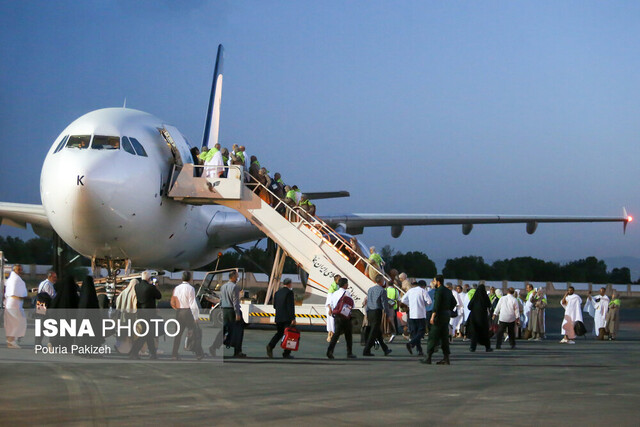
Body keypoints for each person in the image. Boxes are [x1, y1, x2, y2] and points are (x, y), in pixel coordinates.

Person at [421, 274, 456, 365]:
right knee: (444, 337)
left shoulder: (439, 291)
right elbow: (454, 302)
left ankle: (428, 357)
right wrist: (448, 309)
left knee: (433, 336)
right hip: (446, 316)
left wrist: (433, 316)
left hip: (439, 316)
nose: (433, 282)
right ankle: (446, 358)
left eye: (434, 281)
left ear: (438, 282)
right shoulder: (448, 291)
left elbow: (437, 305)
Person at [171, 271, 204, 360]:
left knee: (178, 334)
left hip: (179, 312)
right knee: (194, 332)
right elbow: (192, 303)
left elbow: (173, 302)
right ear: (190, 279)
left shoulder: (176, 288)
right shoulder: (190, 288)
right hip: (187, 312)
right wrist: (196, 316)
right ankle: (198, 353)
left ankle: (174, 354)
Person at [129, 271, 162, 359]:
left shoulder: (137, 287)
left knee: (148, 333)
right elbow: (159, 296)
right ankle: (134, 352)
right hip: (149, 313)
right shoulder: (151, 287)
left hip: (140, 313)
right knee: (146, 333)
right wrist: (156, 287)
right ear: (149, 278)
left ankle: (153, 354)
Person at [326, 278, 357, 359]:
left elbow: (331, 305)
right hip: (345, 316)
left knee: (336, 335)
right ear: (345, 285)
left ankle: (330, 351)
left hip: (337, 316)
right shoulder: (347, 293)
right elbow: (352, 305)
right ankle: (349, 353)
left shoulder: (334, 293)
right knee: (348, 335)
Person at [363, 275, 392, 357]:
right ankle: (366, 350)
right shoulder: (382, 291)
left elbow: (368, 300)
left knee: (377, 331)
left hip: (370, 311)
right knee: (373, 331)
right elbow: (384, 303)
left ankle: (385, 349)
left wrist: (367, 311)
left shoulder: (370, 289)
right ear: (381, 281)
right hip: (377, 311)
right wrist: (387, 313)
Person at [267, 278, 296, 359]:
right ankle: (286, 353)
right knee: (289, 335)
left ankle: (270, 346)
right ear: (289, 284)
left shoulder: (277, 293)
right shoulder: (289, 293)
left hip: (279, 317)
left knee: (279, 333)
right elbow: (290, 306)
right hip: (287, 317)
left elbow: (274, 306)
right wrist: (293, 318)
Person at [402, 281, 432, 356]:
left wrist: (410, 304)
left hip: (412, 314)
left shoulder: (410, 291)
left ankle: (419, 350)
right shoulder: (423, 291)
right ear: (423, 286)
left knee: (415, 333)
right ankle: (411, 344)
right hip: (421, 314)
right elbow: (429, 301)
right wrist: (424, 304)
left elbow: (403, 300)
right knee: (421, 332)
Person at [219, 270, 246, 358]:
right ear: (233, 277)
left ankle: (214, 347)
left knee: (224, 329)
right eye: (237, 276)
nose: (238, 277)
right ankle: (237, 351)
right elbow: (235, 301)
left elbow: (221, 300)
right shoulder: (235, 287)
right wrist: (237, 313)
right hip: (232, 311)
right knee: (238, 330)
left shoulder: (223, 286)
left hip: (224, 310)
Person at [4, 265, 28, 349]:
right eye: (18, 269)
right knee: (18, 322)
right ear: (14, 270)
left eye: (21, 269)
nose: (20, 271)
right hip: (14, 302)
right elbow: (14, 291)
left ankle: (11, 341)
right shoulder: (15, 279)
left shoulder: (12, 278)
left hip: (13, 302)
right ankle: (12, 341)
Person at [77, 276, 103, 349]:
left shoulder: (82, 297)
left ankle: (81, 348)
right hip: (93, 318)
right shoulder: (93, 295)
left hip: (82, 317)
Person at [467, 283, 493, 352]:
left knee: (474, 333)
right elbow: (489, 305)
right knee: (485, 333)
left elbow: (469, 306)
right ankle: (488, 347)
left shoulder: (475, 297)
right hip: (483, 318)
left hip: (474, 318)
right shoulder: (485, 297)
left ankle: (472, 347)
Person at [325, 274, 341, 342]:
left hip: (334, 307)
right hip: (330, 308)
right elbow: (329, 301)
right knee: (331, 322)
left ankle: (332, 336)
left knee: (333, 322)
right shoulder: (332, 288)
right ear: (336, 280)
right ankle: (330, 336)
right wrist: (330, 309)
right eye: (339, 279)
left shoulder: (337, 287)